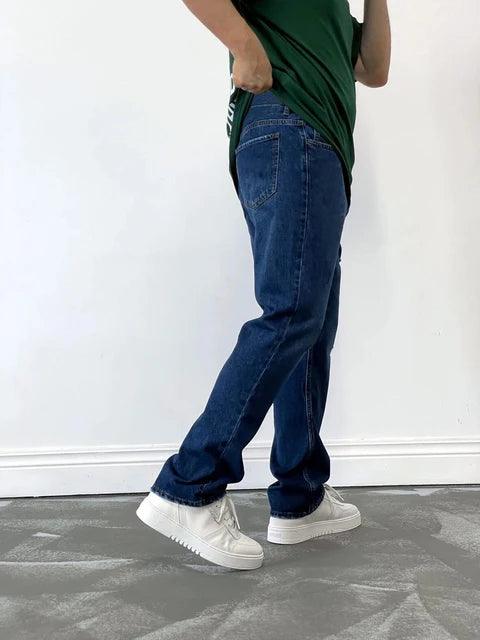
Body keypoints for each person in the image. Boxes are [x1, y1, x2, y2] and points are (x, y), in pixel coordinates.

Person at [137, 0, 391, 570]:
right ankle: (189, 486)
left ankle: (301, 496)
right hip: (289, 128)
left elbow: (373, 69)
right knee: (291, 313)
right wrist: (246, 47)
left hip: (320, 149)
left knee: (311, 325)